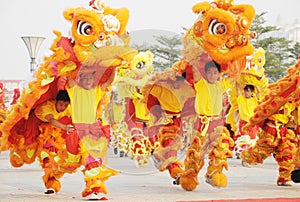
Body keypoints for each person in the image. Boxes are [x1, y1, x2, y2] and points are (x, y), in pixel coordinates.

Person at [178, 60, 235, 191]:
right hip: (201, 124)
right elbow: (196, 72)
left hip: (217, 123)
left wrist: (235, 55)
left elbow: (234, 76)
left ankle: (213, 173)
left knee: (222, 147)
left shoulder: (221, 85)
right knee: (196, 152)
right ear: (205, 73)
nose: (212, 75)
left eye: (215, 72)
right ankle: (190, 176)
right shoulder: (201, 84)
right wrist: (198, 52)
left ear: (219, 75)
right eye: (209, 72)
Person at [66, 65, 117, 200]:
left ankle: (94, 188)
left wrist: (114, 67)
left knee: (92, 159)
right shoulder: (74, 90)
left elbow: (109, 82)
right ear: (80, 79)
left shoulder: (96, 91)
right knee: (72, 162)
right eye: (85, 78)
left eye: (90, 78)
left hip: (93, 130)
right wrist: (75, 62)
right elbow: (69, 78)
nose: (88, 80)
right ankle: (52, 177)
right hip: (77, 131)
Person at [143, 70, 195, 181]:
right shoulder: (162, 88)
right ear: (171, 79)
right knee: (170, 145)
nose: (179, 83)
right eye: (176, 80)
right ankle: (175, 171)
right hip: (165, 121)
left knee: (173, 146)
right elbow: (149, 91)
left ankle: (160, 157)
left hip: (178, 121)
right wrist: (157, 111)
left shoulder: (187, 89)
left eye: (181, 81)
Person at [34, 90, 80, 194]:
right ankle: (50, 183)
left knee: (57, 160)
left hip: (57, 135)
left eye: (65, 105)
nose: (63, 107)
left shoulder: (69, 109)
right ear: (56, 102)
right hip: (40, 132)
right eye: (60, 104)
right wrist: (64, 127)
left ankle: (53, 180)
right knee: (46, 159)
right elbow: (51, 120)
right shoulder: (47, 107)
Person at [234, 84, 260, 160]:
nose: (246, 92)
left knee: (252, 140)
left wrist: (254, 82)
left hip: (253, 124)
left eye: (248, 91)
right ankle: (243, 154)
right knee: (245, 138)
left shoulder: (255, 99)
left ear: (252, 92)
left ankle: (251, 155)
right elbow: (237, 89)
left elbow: (259, 92)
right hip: (243, 123)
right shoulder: (240, 99)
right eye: (245, 90)